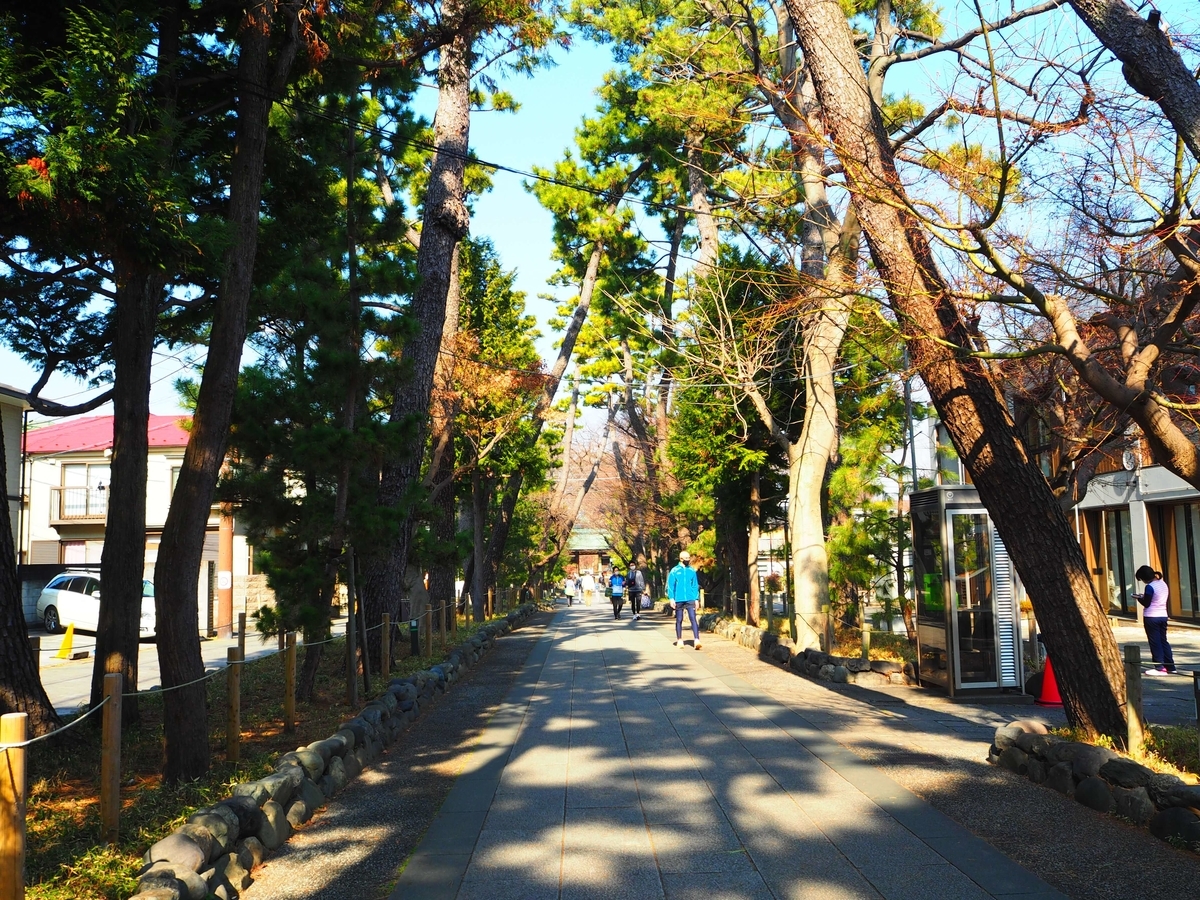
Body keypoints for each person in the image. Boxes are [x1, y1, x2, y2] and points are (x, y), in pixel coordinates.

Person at [1135, 565, 1176, 675]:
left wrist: (1139, 598)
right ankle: (1170, 666)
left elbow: (1146, 603)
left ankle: (1159, 667)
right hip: (1163, 614)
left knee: (1155, 642)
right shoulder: (1162, 584)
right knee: (1163, 641)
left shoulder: (1150, 587)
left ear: (1144, 578)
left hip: (1151, 616)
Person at [667, 550, 701, 649]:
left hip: (690, 598)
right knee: (679, 619)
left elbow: (694, 585)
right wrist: (671, 598)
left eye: (688, 558)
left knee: (693, 618)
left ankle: (696, 639)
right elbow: (671, 585)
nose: (688, 560)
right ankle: (679, 640)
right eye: (686, 558)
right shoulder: (674, 571)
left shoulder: (691, 571)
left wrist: (696, 599)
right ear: (681, 559)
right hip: (679, 598)